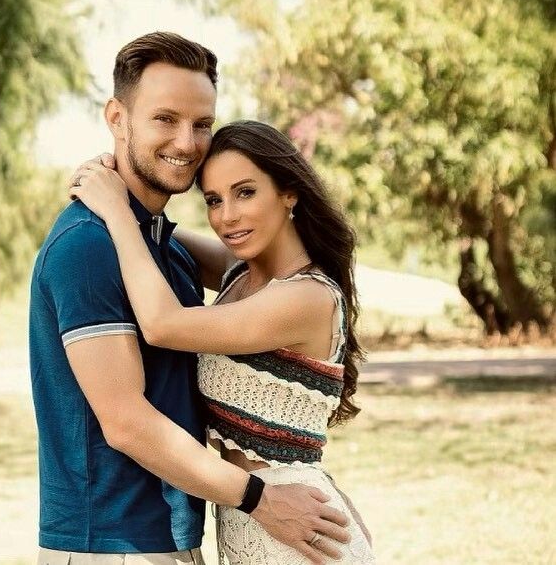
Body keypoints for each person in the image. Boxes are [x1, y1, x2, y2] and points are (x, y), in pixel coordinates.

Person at [29, 32, 352, 565]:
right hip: (112, 545)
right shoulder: (87, 248)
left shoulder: (162, 248)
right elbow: (126, 421)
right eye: (165, 118)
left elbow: (178, 302)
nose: (186, 142)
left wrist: (123, 210)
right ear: (117, 118)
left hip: (193, 536)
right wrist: (111, 205)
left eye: (202, 123)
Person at [69, 119, 375, 565]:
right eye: (214, 200)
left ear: (289, 193)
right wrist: (110, 183)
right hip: (255, 518)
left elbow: (161, 323)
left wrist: (115, 210)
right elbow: (155, 238)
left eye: (245, 192)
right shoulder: (240, 275)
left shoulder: (307, 296)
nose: (226, 216)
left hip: (294, 528)